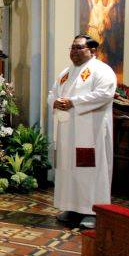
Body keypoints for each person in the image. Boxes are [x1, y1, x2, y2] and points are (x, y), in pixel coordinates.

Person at [48, 34, 116, 229]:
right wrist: (55, 102)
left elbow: (104, 94)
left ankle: (93, 210)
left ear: (92, 51)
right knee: (68, 169)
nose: (74, 51)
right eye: (72, 48)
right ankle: (72, 207)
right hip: (67, 132)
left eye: (79, 48)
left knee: (90, 170)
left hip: (90, 132)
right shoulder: (65, 73)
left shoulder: (102, 71)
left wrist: (73, 102)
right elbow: (53, 93)